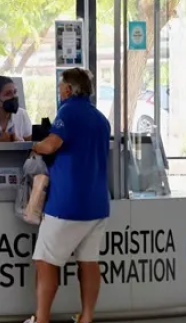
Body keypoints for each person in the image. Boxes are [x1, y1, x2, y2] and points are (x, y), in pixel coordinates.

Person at [26, 68, 110, 323]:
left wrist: (34, 145)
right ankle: (86, 318)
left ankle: (41, 319)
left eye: (60, 86)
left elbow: (52, 144)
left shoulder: (68, 111)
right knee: (88, 262)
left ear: (67, 89)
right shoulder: (100, 118)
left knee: (46, 262)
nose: (59, 90)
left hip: (67, 205)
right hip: (97, 205)